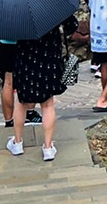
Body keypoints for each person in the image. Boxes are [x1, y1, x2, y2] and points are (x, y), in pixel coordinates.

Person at [7, 11, 75, 162]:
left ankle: (17, 143)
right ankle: (48, 148)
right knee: (48, 103)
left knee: (21, 101)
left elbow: (9, 31)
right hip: (49, 56)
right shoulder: (54, 4)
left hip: (24, 56)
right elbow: (72, 26)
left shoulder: (19, 6)